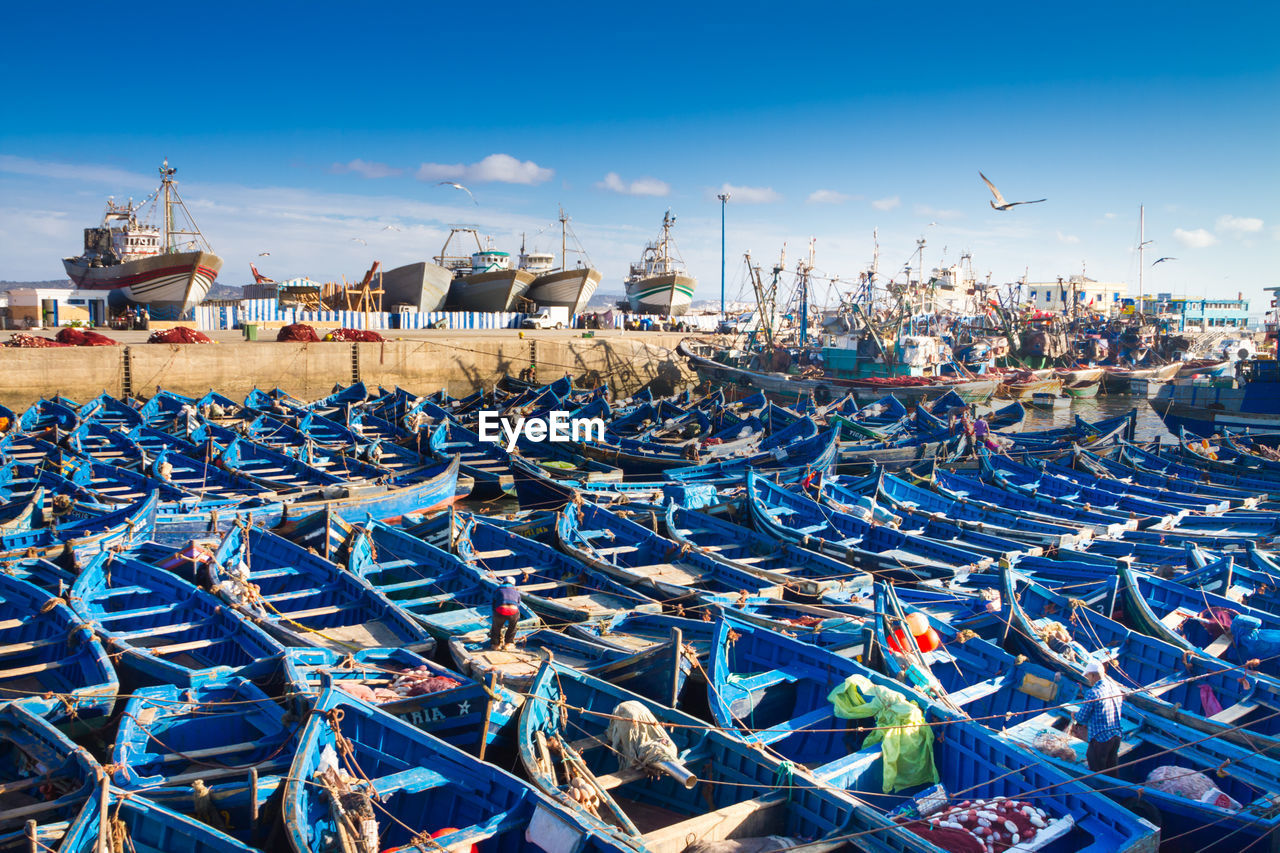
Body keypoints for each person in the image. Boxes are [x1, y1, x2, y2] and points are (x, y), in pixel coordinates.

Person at [1072, 660, 1124, 772]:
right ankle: (1113, 789)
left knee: (1097, 771)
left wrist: (1075, 715)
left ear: (1093, 675)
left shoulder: (1093, 692)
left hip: (1101, 739)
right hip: (1116, 736)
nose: (1088, 679)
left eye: (1088, 676)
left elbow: (1081, 718)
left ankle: (1097, 789)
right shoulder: (1115, 688)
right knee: (1111, 770)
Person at [491, 577, 520, 650]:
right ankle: (508, 644)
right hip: (513, 612)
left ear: (503, 582)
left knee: (496, 627)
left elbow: (494, 603)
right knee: (513, 627)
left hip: (501, 610)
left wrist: (495, 613)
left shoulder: (498, 590)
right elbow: (518, 604)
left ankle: (495, 645)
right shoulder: (516, 591)